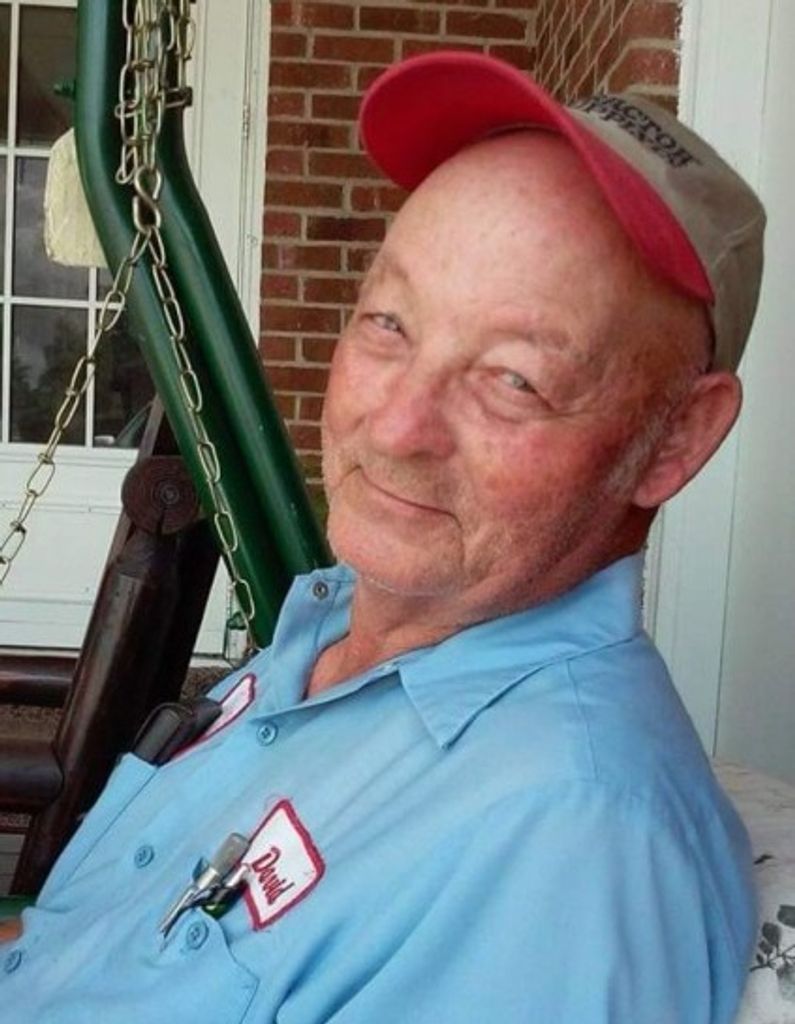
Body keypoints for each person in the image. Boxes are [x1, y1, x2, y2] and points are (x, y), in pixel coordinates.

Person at [0, 52, 765, 1023]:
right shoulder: (336, 632)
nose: (397, 428)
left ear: (674, 440)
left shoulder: (566, 849)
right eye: (389, 323)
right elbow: (82, 951)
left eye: (514, 379)